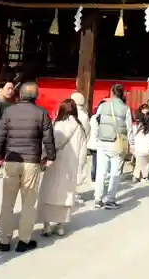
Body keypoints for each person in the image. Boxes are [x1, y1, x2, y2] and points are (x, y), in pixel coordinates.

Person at [0, 81, 56, 253]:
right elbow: (48, 138)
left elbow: (0, 136)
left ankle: (4, 240)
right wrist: (50, 156)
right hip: (31, 161)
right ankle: (24, 240)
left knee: (7, 202)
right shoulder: (42, 113)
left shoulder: (8, 111)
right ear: (36, 96)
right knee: (28, 203)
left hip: (11, 159)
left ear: (20, 95)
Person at [36, 99, 87, 236]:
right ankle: (60, 225)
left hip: (54, 164)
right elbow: (83, 152)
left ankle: (47, 225)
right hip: (70, 166)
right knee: (66, 195)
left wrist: (43, 157)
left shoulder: (57, 125)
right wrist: (81, 169)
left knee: (49, 192)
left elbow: (48, 143)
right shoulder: (80, 128)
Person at [94, 84, 132, 209]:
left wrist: (96, 138)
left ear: (111, 92)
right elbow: (129, 128)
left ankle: (97, 199)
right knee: (115, 172)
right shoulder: (126, 108)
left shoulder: (103, 105)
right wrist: (130, 143)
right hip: (117, 142)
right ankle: (110, 200)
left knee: (101, 172)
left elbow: (96, 122)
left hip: (102, 141)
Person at [70, 92, 91, 203]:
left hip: (67, 146)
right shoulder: (84, 115)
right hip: (79, 145)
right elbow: (87, 132)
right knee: (78, 168)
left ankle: (68, 192)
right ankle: (74, 193)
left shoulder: (67, 113)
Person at [130, 113, 149, 183]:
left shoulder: (140, 127)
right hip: (147, 149)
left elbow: (134, 137)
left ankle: (136, 175)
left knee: (139, 162)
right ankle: (144, 177)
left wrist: (134, 146)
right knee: (146, 164)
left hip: (138, 149)